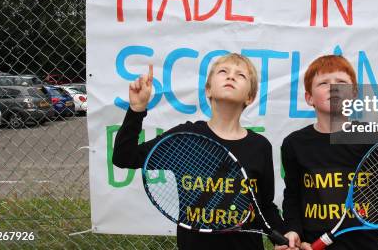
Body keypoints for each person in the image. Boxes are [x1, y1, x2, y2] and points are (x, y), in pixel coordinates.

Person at [112, 53, 286, 250]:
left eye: (241, 75)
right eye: (223, 71)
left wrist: (283, 236)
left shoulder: (259, 146)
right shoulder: (184, 137)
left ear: (250, 96)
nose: (231, 76)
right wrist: (136, 109)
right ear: (208, 90)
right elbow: (124, 157)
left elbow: (265, 207)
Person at [276, 55, 378, 250]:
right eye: (323, 83)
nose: (334, 87)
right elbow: (293, 196)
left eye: (341, 82)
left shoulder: (368, 136)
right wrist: (294, 230)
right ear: (309, 97)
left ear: (354, 93)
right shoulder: (295, 144)